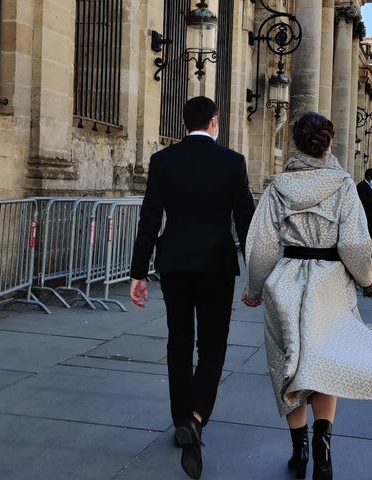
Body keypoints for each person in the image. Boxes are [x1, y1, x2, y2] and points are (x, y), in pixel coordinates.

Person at [243, 112, 372, 480]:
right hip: (330, 283)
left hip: (286, 282)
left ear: (296, 143)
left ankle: (298, 453)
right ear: (328, 143)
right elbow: (353, 243)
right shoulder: (344, 186)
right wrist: (366, 276)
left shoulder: (277, 187)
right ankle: (323, 449)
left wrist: (254, 289)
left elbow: (263, 247)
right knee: (328, 360)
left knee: (289, 366)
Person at [129, 96, 256, 479]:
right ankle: (197, 417)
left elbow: (149, 217)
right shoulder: (232, 162)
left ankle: (181, 419)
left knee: (178, 342)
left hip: (175, 264)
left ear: (185, 124)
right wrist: (258, 273)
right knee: (213, 346)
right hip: (216, 265)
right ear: (214, 122)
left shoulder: (162, 161)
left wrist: (137, 272)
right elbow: (246, 219)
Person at [357, 168, 372, 241]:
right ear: (368, 177)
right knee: (369, 235)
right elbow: (364, 201)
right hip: (368, 215)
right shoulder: (361, 186)